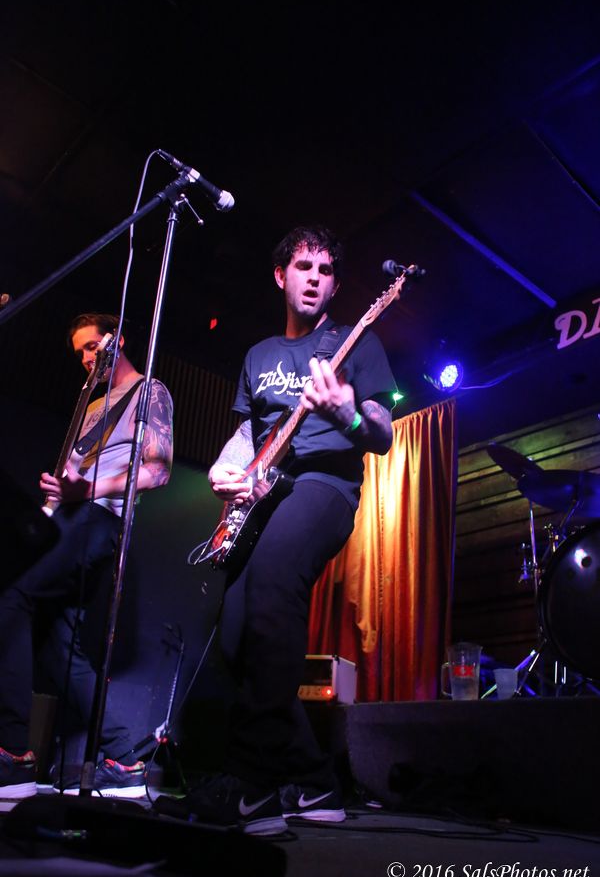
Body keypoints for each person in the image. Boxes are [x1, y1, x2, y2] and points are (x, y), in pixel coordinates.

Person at [162, 225, 397, 835]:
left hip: (325, 484)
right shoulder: (259, 356)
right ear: (280, 275)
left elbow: (381, 431)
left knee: (271, 586)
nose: (314, 277)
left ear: (335, 285)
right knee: (238, 635)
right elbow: (249, 434)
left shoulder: (356, 341)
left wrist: (346, 414)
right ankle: (314, 783)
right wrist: (225, 469)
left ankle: (253, 782)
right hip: (267, 492)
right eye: (303, 266)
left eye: (326, 269)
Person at [0, 313, 173, 800]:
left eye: (93, 346)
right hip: (70, 518)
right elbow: (72, 478)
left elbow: (157, 472)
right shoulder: (92, 407)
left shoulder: (149, 391)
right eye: (80, 352)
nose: (86, 358)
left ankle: (12, 752)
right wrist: (56, 496)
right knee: (60, 648)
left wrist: (87, 490)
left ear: (118, 340)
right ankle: (124, 757)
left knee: (13, 597)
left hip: (100, 518)